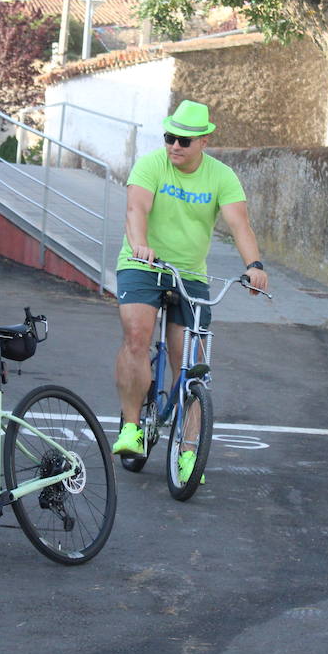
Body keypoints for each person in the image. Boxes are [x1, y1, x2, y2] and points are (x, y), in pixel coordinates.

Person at [110, 99, 269, 485]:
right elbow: (136, 210)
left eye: (183, 140)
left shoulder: (221, 176)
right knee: (136, 337)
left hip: (190, 273)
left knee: (192, 363)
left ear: (204, 141)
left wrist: (254, 266)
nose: (174, 146)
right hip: (142, 264)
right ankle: (132, 426)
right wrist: (141, 245)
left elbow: (239, 224)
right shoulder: (151, 165)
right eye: (169, 138)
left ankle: (187, 450)